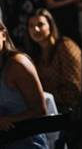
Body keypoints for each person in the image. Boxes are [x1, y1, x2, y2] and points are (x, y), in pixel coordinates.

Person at [0, 20, 48, 149]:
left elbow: (40, 110)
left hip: (27, 142)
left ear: (3, 35)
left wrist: (8, 119)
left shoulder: (17, 65)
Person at [26, 8, 82, 112]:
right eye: (31, 26)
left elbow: (72, 90)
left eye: (40, 24)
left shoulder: (65, 46)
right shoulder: (35, 55)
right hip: (46, 107)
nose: (36, 29)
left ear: (50, 26)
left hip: (67, 110)